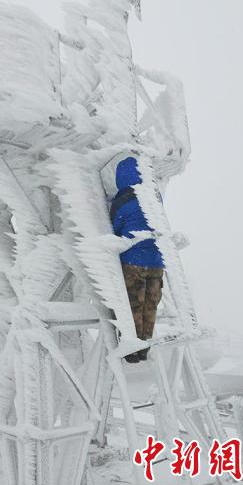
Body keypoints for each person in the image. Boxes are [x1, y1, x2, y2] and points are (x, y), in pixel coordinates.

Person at [101, 153, 165, 363]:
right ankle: (144, 346)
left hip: (133, 259)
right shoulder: (154, 198)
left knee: (133, 303)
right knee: (150, 303)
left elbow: (115, 228)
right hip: (156, 260)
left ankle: (131, 349)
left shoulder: (123, 200)